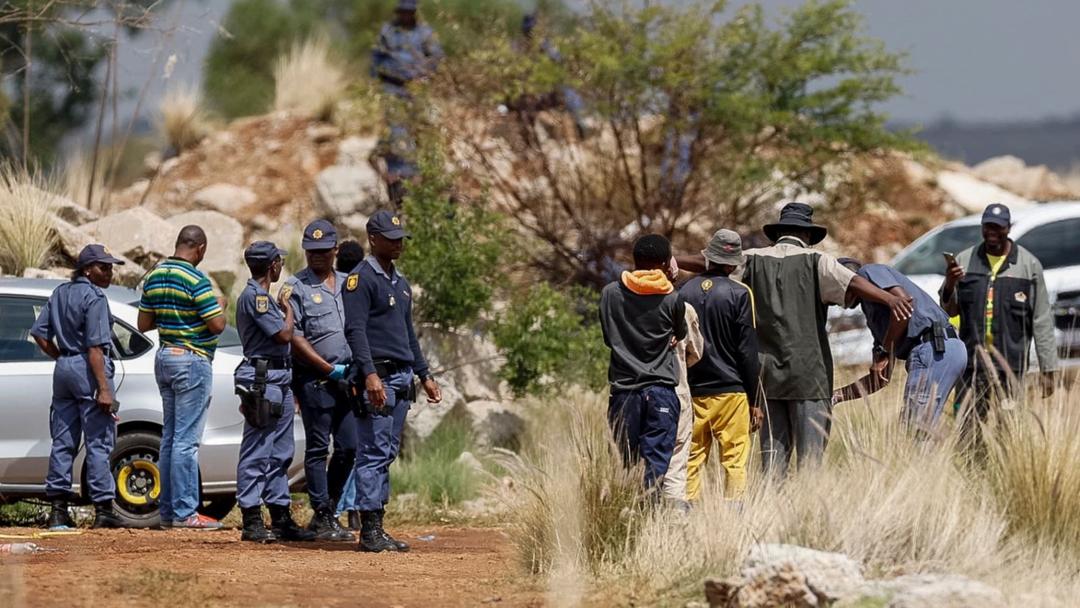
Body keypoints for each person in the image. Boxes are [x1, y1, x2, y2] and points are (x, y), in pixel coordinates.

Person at [676, 202, 913, 476]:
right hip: (810, 377)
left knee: (772, 463)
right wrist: (889, 298)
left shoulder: (751, 259)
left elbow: (709, 262)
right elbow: (854, 285)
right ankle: (804, 514)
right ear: (809, 235)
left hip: (767, 377)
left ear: (777, 233)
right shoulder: (818, 261)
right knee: (810, 465)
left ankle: (767, 515)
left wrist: (672, 259)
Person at [343, 210, 442, 552]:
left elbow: (408, 335)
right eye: (391, 238)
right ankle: (368, 530)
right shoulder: (359, 280)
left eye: (400, 238)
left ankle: (379, 525)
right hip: (378, 378)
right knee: (371, 452)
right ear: (373, 239)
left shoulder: (400, 284)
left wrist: (425, 374)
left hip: (402, 378)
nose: (398, 243)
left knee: (386, 452)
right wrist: (369, 375)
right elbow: (354, 331)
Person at [940, 203, 1057, 438]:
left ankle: (1006, 471)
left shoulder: (1028, 265)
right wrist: (950, 283)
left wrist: (1048, 368)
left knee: (1010, 427)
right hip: (973, 363)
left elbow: (1042, 319)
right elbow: (949, 310)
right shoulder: (964, 259)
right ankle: (971, 470)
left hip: (1011, 364)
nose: (991, 232)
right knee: (968, 426)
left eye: (998, 227)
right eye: (987, 227)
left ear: (1008, 228)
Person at [32, 244, 128, 530]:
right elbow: (96, 349)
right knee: (99, 441)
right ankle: (103, 510)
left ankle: (59, 512)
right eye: (104, 267)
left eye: (110, 267)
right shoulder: (95, 298)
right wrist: (104, 389)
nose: (109, 272)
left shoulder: (60, 292)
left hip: (64, 369)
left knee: (63, 441)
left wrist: (61, 356)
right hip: (89, 369)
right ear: (88, 269)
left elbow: (39, 333)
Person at [137, 225, 227, 530]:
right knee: (186, 442)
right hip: (191, 361)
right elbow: (216, 325)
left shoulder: (156, 274)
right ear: (200, 249)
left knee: (170, 439)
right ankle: (187, 512)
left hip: (165, 358)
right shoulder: (196, 278)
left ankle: (168, 511)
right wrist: (222, 306)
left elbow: (143, 322)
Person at [234, 241, 315, 543]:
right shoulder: (257, 299)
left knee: (281, 450)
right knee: (257, 449)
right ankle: (251, 517)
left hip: (278, 376)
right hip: (263, 379)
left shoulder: (263, 298)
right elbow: (283, 334)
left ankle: (280, 515)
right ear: (272, 266)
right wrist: (290, 309)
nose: (281, 265)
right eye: (278, 261)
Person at [833, 259, 967, 433]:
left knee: (916, 428)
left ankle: (923, 460)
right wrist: (836, 396)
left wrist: (885, 350)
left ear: (847, 281)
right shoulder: (873, 313)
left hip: (934, 348)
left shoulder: (867, 272)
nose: (834, 299)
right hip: (942, 349)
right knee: (917, 424)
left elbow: (904, 303)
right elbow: (880, 378)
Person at [283, 220, 355, 542]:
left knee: (349, 447)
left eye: (323, 252)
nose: (317, 258)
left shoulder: (348, 284)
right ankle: (324, 516)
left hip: (349, 379)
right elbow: (295, 338)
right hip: (316, 380)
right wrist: (327, 369)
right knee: (316, 448)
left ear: (335, 251)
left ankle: (329, 508)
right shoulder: (295, 288)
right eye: (311, 252)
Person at [599, 234, 687, 491]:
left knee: (625, 464)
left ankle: (627, 522)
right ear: (665, 264)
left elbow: (609, 338)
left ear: (635, 261)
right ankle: (651, 523)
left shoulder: (610, 294)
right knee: (656, 467)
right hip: (661, 391)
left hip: (624, 392)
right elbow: (679, 334)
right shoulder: (673, 299)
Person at [679, 230, 761, 501]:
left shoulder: (683, 291)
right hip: (732, 392)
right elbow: (748, 352)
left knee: (691, 461)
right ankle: (733, 522)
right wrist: (755, 399)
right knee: (734, 461)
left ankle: (686, 520)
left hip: (694, 390)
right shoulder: (740, 293)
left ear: (708, 257)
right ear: (733, 263)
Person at [370, 0, 444, 206]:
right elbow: (376, 58)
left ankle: (420, 180)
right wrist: (377, 81)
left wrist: (424, 76)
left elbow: (437, 57)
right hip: (391, 88)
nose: (405, 15)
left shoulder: (425, 33)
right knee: (396, 133)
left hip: (416, 90)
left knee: (420, 133)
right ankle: (398, 180)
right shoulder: (388, 32)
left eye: (408, 11)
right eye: (402, 11)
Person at [662, 257, 704, 508]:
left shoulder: (620, 300)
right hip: (676, 392)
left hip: (631, 392)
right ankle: (675, 527)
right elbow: (696, 353)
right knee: (676, 464)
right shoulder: (684, 308)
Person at [333, 239, 366, 531]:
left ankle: (330, 506)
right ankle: (353, 507)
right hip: (358, 372)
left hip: (326, 372)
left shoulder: (330, 286)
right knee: (358, 444)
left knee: (327, 447)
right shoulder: (362, 287)